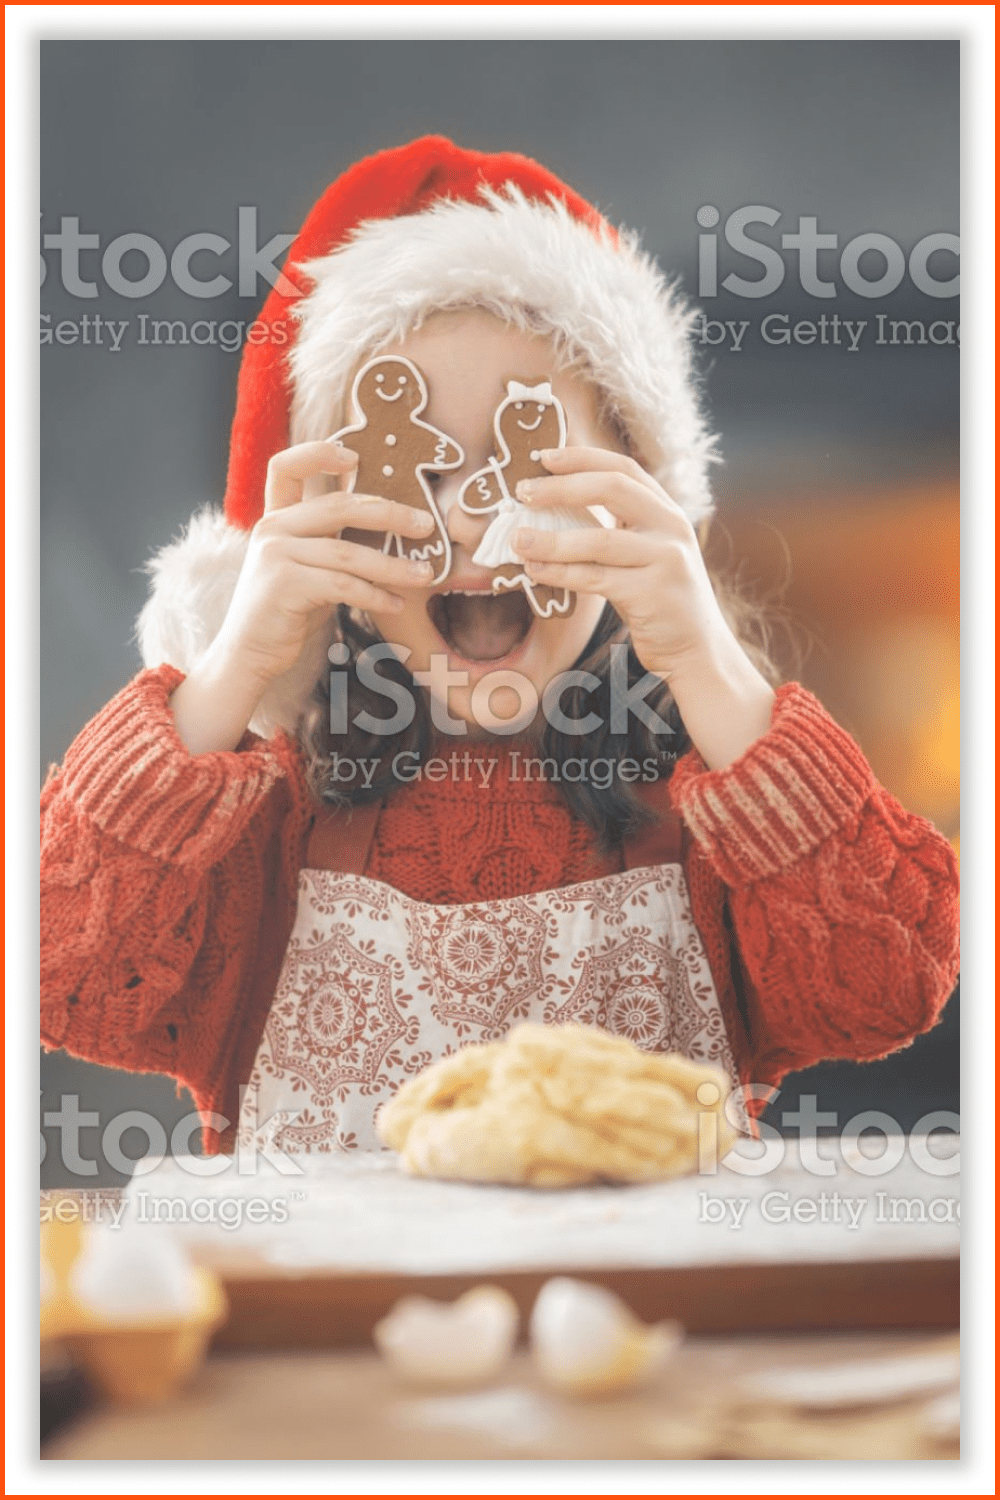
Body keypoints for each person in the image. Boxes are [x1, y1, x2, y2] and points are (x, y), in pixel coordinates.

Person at [40, 137, 960, 1158]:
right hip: (336, 1316)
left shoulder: (710, 811)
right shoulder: (259, 825)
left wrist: (708, 666)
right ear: (323, 524)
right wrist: (227, 677)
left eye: (526, 466)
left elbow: (890, 988)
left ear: (640, 500)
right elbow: (58, 982)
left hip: (645, 1316)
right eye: (415, 466)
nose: (475, 529)